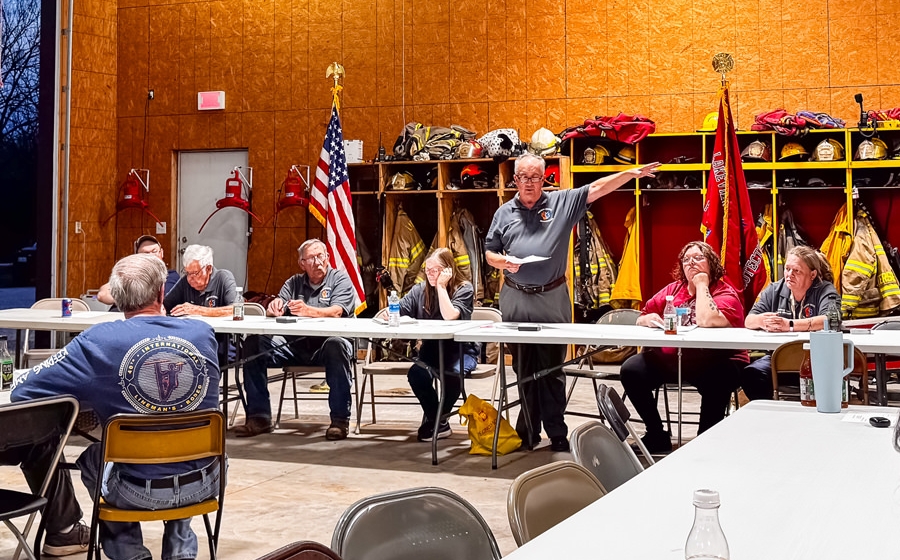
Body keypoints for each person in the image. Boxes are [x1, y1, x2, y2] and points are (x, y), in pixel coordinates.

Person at [12, 253, 224, 560]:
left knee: (93, 459)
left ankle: (130, 553)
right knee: (183, 435)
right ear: (162, 292)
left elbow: (25, 390)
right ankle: (180, 552)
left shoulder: (97, 341)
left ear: (117, 298)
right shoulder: (202, 333)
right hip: (206, 482)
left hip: (135, 490)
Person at [484, 152, 660, 452]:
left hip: (551, 298)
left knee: (552, 369)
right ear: (515, 180)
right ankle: (527, 432)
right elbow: (490, 251)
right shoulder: (503, 213)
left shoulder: (561, 203)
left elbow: (597, 188)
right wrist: (501, 262)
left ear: (544, 179)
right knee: (523, 369)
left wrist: (630, 174)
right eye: (524, 177)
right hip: (515, 297)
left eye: (535, 177)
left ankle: (556, 432)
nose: (529, 183)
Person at [619, 241, 747, 453]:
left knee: (719, 378)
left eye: (698, 258)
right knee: (632, 369)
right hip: (675, 358)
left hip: (717, 360)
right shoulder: (673, 289)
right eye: (686, 260)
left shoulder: (725, 293)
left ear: (711, 263)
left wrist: (702, 285)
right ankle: (656, 434)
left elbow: (707, 319)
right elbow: (643, 315)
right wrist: (648, 319)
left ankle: (705, 440)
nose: (691, 263)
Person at [236, 239, 356, 440]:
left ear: (328, 257)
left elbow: (337, 312)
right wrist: (274, 308)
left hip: (327, 347)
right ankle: (259, 417)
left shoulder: (340, 280)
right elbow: (279, 304)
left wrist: (309, 310)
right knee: (253, 343)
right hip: (294, 346)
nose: (317, 262)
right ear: (302, 264)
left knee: (337, 345)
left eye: (321, 256)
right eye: (311, 258)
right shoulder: (293, 283)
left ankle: (339, 421)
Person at [399, 247, 480, 441]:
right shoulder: (420, 290)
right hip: (431, 349)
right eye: (427, 270)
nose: (430, 274)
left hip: (460, 350)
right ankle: (439, 422)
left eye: (435, 270)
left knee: (452, 374)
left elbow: (450, 316)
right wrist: (389, 312)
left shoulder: (464, 288)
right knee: (416, 374)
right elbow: (400, 309)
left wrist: (442, 287)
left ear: (448, 270)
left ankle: (435, 422)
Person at [741, 245, 839, 400]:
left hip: (816, 361)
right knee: (752, 374)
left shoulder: (825, 289)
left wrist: (790, 325)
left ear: (812, 274)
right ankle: (770, 411)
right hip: (780, 360)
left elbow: (831, 319)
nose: (789, 275)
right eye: (787, 269)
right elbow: (749, 320)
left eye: (797, 271)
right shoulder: (774, 289)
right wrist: (762, 321)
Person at [163, 244, 237, 366]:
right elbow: (165, 305)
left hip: (218, 342)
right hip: (191, 342)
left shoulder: (223, 277)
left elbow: (235, 309)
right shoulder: (185, 282)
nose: (190, 278)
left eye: (195, 273)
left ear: (208, 268)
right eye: (187, 273)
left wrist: (197, 310)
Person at [97, 235, 180, 306]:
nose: (151, 256)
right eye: (145, 253)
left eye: (154, 251)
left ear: (161, 253)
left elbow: (160, 300)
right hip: (119, 314)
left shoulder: (170, 276)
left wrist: (124, 296)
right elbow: (102, 294)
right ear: (137, 256)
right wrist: (132, 299)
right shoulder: (127, 274)